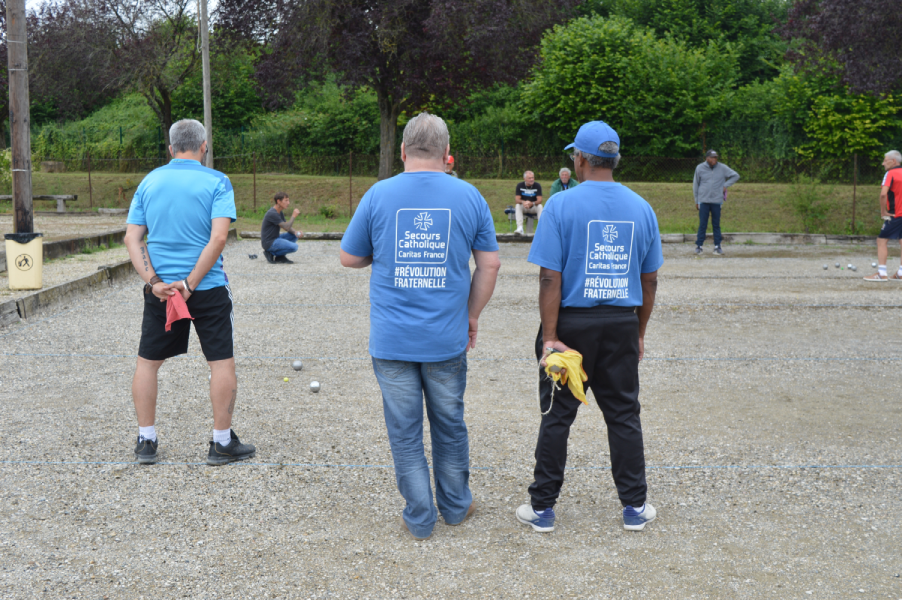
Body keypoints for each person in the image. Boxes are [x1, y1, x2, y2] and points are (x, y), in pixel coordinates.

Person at [340, 112, 501, 540]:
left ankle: (419, 517)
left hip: (392, 341)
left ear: (402, 151)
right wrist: (471, 315)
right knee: (450, 424)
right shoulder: (469, 196)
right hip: (446, 339)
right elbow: (490, 264)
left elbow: (349, 257)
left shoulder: (378, 194)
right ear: (448, 154)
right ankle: (455, 507)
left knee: (405, 431)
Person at [516, 121, 663, 533]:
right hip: (620, 323)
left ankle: (542, 508)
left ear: (579, 160)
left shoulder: (562, 205)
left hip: (571, 326)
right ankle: (634, 506)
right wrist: (638, 333)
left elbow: (550, 277)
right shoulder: (642, 207)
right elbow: (649, 280)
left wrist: (549, 338)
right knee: (623, 415)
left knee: (557, 415)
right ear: (614, 160)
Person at [124, 119, 256, 466]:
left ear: (170, 149)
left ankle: (146, 441)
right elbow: (218, 238)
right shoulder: (217, 181)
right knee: (221, 363)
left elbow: (133, 238)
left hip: (163, 291)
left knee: (148, 364)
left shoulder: (149, 181)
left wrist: (154, 282)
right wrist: (191, 283)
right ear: (203, 146)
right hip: (207, 287)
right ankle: (221, 442)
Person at [864, 150, 902, 281]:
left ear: (893, 161)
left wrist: (883, 211)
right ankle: (901, 273)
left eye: (885, 160)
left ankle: (881, 273)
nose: (883, 163)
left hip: (895, 214)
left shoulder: (890, 173)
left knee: (881, 241)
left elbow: (883, 194)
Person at [693, 150, 739, 255]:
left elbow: (735, 175)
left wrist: (725, 185)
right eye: (712, 157)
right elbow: (696, 185)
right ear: (707, 158)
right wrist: (697, 200)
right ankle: (699, 246)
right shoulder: (700, 168)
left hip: (716, 201)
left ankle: (717, 246)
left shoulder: (722, 168)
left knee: (716, 224)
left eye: (716, 157)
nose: (714, 160)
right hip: (703, 200)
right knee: (703, 224)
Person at [261, 192, 304, 264]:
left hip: (275, 238)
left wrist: (296, 232)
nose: (288, 203)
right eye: (286, 200)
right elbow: (287, 227)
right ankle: (270, 252)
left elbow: (286, 226)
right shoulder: (272, 213)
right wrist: (293, 216)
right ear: (278, 201)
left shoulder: (279, 212)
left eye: (288, 200)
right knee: (294, 247)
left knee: (294, 235)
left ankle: (280, 257)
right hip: (269, 242)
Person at [515, 170, 543, 235]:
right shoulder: (520, 185)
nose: (531, 179)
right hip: (524, 206)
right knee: (517, 206)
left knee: (540, 206)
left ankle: (541, 228)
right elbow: (517, 200)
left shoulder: (537, 185)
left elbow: (540, 200)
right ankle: (520, 228)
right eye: (529, 178)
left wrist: (532, 203)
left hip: (533, 206)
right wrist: (524, 202)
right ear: (524, 179)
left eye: (532, 177)